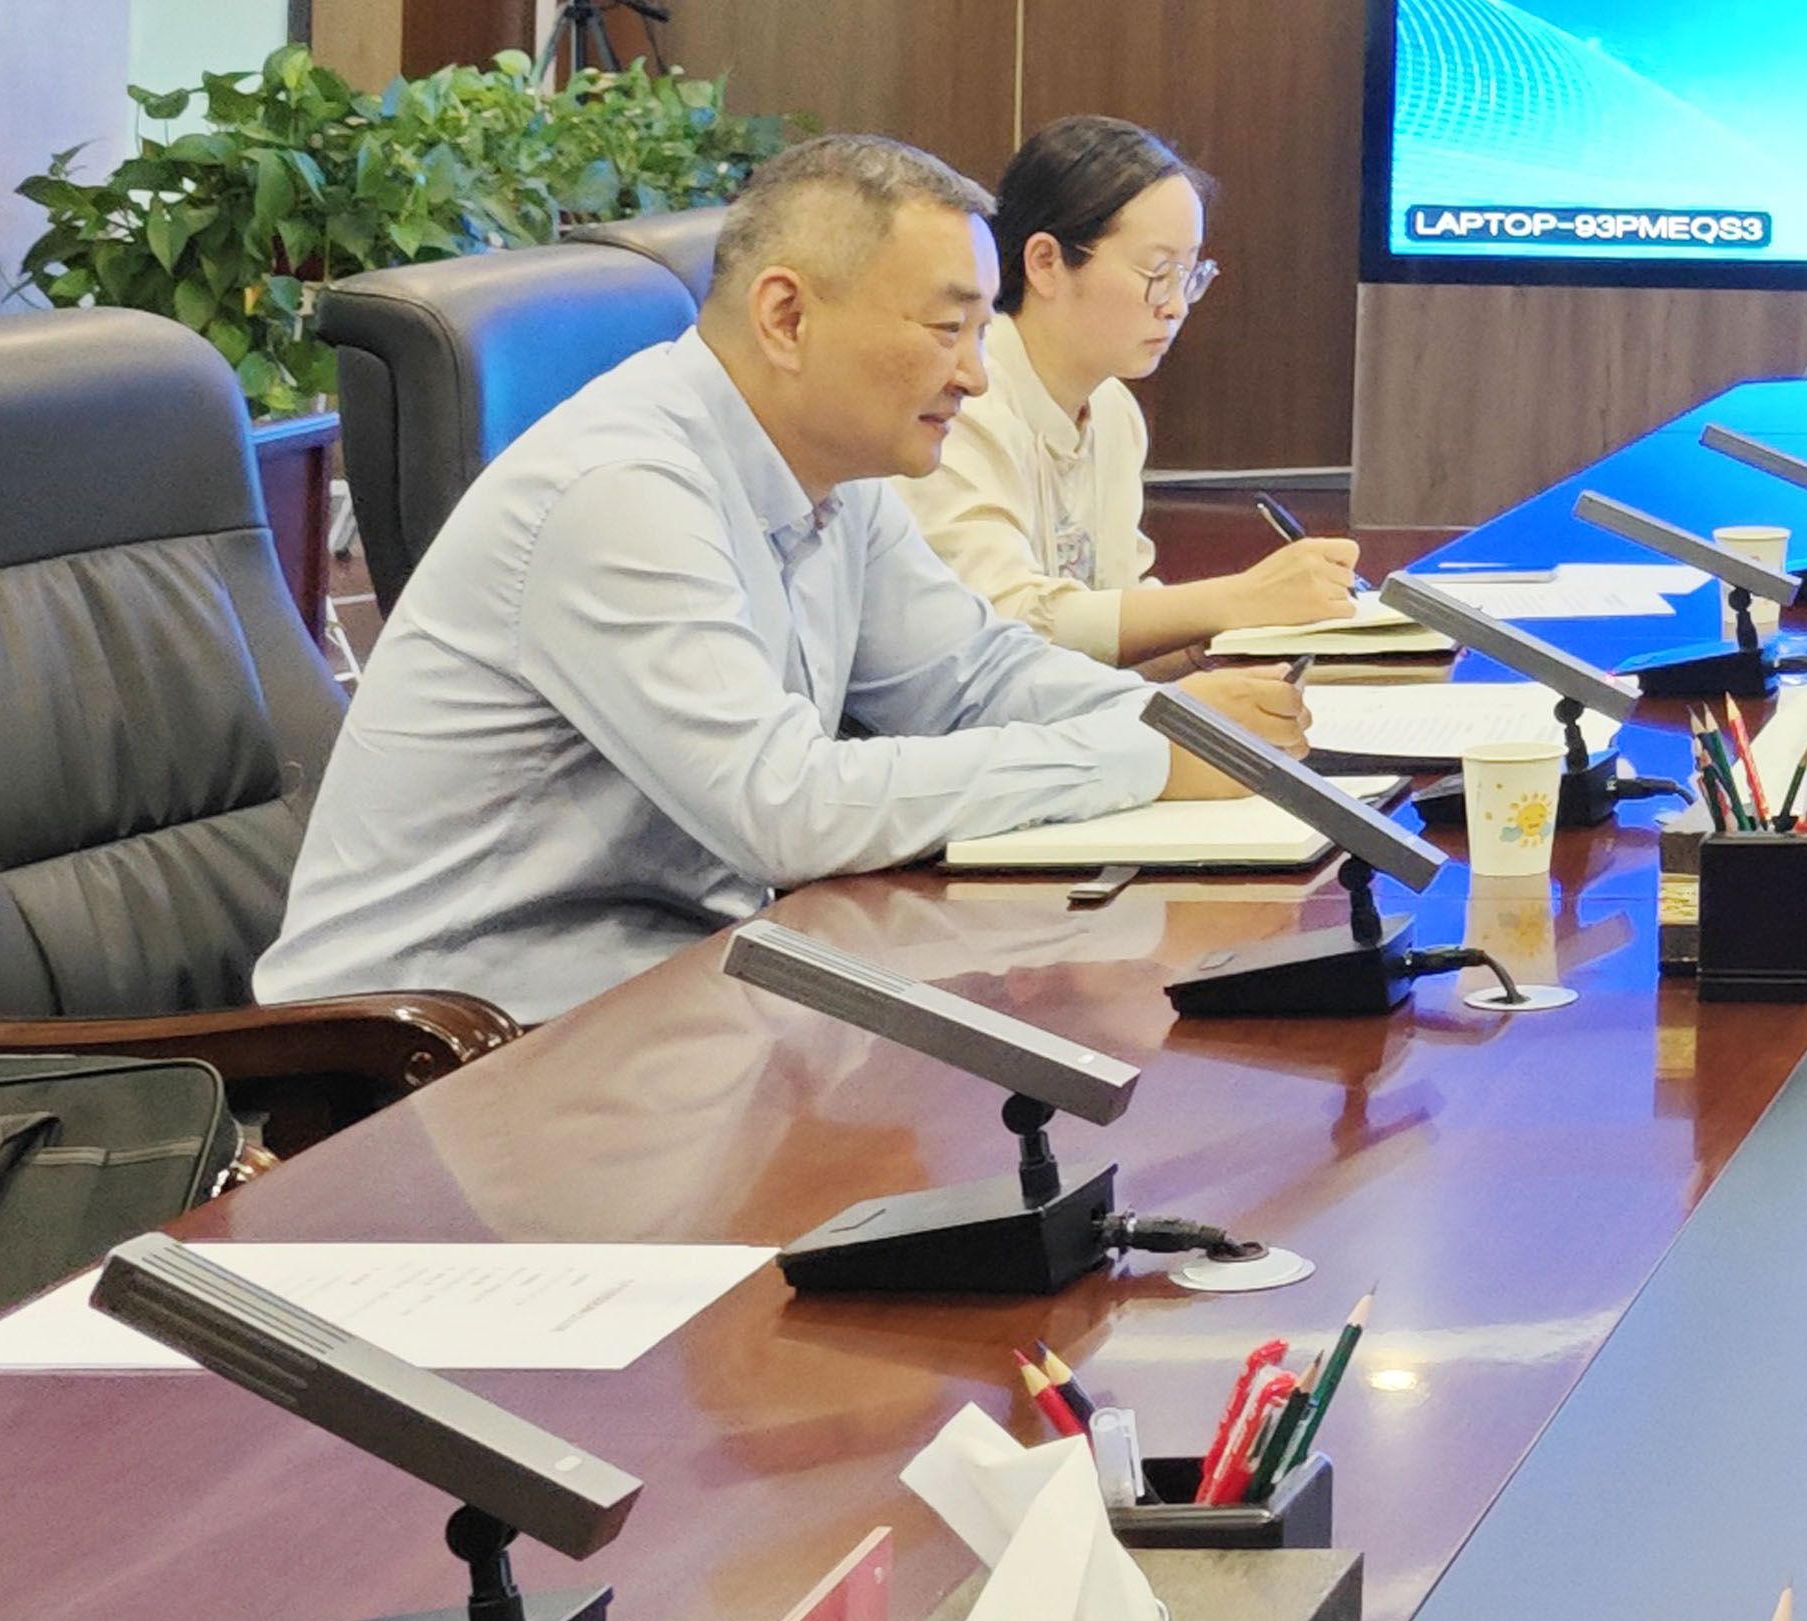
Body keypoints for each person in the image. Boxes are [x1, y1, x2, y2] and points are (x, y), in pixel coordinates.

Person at [262, 135, 1315, 1023]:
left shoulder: (836, 475)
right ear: (786, 317)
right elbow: (787, 808)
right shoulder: (624, 492)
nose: (975, 373)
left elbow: (973, 678)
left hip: (666, 987)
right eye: (947, 329)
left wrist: (1191, 733)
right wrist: (1142, 755)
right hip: (442, 1046)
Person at [923, 115, 1366, 662]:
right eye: (1158, 273)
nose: (1176, 306)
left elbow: (1120, 623)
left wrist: (1241, 645)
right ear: (1046, 262)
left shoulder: (1113, 409)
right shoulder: (960, 400)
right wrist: (1241, 599)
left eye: (1190, 275)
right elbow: (1002, 622)